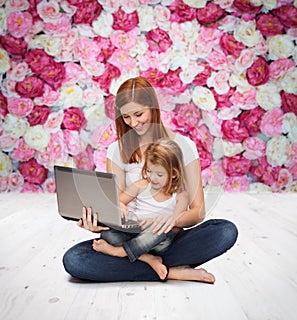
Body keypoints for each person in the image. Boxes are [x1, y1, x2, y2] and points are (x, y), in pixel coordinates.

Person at [63, 76, 238, 283]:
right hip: (128, 236)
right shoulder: (117, 150)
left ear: (153, 108)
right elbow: (117, 205)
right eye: (126, 117)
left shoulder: (183, 146)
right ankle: (169, 269)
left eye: (139, 114)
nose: (133, 123)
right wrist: (97, 221)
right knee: (74, 260)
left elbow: (197, 211)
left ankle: (141, 261)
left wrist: (170, 219)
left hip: (168, 236)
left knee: (225, 231)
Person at [93, 138, 195, 281]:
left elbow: (176, 225)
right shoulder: (142, 185)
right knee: (107, 233)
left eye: (159, 174)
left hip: (157, 239)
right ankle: (148, 259)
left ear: (174, 174)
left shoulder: (180, 195)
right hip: (134, 233)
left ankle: (119, 252)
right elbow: (119, 202)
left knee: (163, 231)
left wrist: (154, 222)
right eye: (149, 171)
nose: (152, 178)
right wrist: (121, 208)